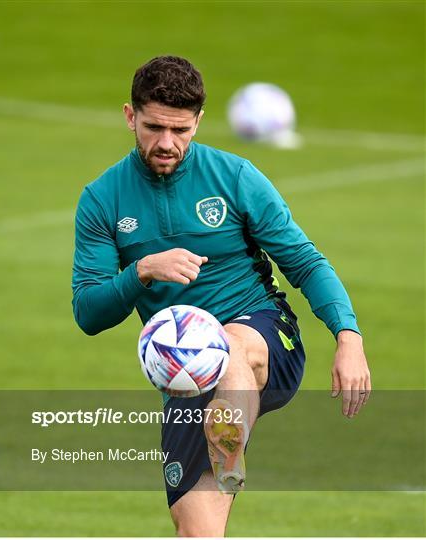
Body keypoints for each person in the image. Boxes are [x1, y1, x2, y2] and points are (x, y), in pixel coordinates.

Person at [72, 55, 371, 537]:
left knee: (228, 343)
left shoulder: (235, 178)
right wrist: (141, 272)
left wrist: (348, 335)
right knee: (197, 533)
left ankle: (228, 436)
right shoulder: (103, 199)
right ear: (130, 117)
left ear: (199, 122)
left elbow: (304, 261)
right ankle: (222, 442)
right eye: (153, 128)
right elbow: (88, 312)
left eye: (181, 130)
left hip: (263, 335)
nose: (166, 143)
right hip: (184, 373)